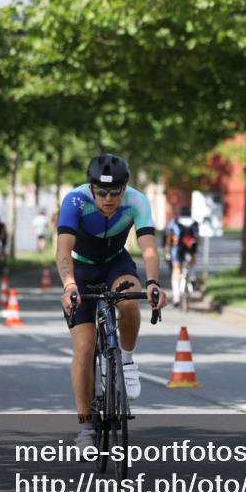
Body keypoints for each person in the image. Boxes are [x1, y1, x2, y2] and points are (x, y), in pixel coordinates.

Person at [56, 154, 167, 450]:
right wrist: (69, 286)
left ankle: (126, 361)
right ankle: (85, 429)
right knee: (84, 346)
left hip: (116, 264)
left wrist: (154, 283)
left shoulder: (138, 202)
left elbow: (149, 249)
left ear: (125, 187)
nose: (108, 198)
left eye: (115, 192)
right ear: (91, 188)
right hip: (81, 267)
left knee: (130, 300)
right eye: (102, 192)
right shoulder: (75, 201)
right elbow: (64, 249)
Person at [162, 205, 199, 307]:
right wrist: (195, 251)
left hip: (178, 249)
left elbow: (168, 234)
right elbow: (197, 238)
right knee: (191, 264)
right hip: (190, 248)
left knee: (176, 269)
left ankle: (176, 295)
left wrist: (167, 247)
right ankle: (191, 277)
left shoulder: (175, 221)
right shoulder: (195, 222)